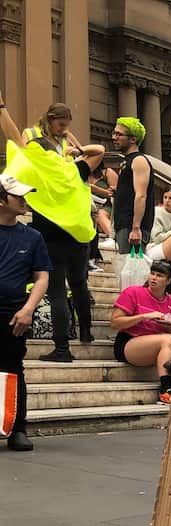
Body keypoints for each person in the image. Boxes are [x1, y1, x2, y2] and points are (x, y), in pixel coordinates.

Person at [0, 95, 100, 359]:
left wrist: (1, 110)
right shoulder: (73, 169)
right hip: (78, 233)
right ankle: (86, 333)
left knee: (57, 289)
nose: (64, 130)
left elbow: (14, 140)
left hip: (50, 231)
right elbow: (98, 152)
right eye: (62, 126)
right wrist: (78, 152)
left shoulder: (43, 162)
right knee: (79, 284)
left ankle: (63, 348)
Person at [0, 173, 51, 451]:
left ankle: (17, 428)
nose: (23, 200)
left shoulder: (32, 237)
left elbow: (42, 277)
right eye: (17, 195)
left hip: (14, 314)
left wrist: (28, 309)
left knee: (13, 370)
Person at [111, 258, 171, 404]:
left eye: (160, 275)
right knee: (168, 340)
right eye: (152, 273)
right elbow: (115, 322)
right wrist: (144, 316)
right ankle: (165, 389)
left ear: (168, 281)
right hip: (129, 342)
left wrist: (167, 325)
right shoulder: (133, 292)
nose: (154, 278)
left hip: (159, 344)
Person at [109, 116, 154, 255]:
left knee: (133, 273)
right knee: (126, 272)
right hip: (124, 225)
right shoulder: (127, 161)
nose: (114, 137)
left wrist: (136, 228)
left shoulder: (138, 160)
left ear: (133, 139)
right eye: (114, 133)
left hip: (131, 227)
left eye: (119, 134)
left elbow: (141, 195)